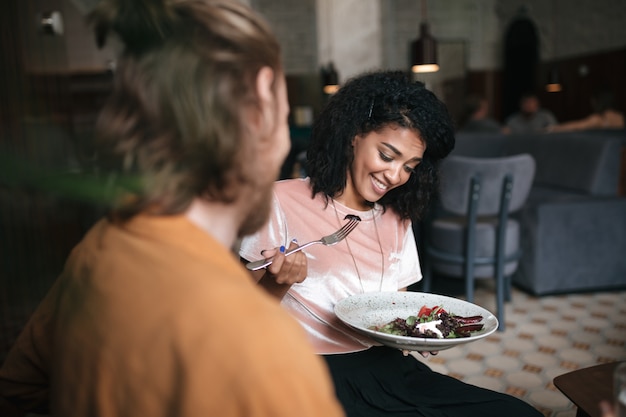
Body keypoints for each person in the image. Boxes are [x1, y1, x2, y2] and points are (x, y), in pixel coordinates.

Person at [0, 1, 345, 416]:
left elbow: (18, 388)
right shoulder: (268, 353)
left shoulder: (97, 250)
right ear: (259, 103)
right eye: (285, 116)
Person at [239, 70, 543, 417]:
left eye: (409, 166)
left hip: (389, 370)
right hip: (306, 371)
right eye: (387, 155)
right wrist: (277, 283)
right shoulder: (279, 200)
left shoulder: (397, 218)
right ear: (354, 136)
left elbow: (396, 309)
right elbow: (241, 322)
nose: (396, 176)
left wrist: (417, 335)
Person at [548, 87, 624, 132]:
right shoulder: (621, 116)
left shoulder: (599, 119)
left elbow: (576, 126)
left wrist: (552, 128)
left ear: (597, 101)